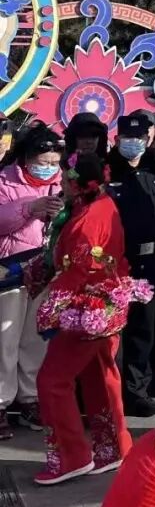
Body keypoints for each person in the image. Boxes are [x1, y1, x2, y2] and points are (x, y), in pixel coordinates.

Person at [34, 153, 143, 485]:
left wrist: (51, 309)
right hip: (106, 303)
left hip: (87, 308)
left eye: (66, 179)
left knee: (52, 380)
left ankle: (72, 457)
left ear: (79, 185)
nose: (61, 183)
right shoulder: (97, 205)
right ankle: (112, 448)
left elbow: (78, 270)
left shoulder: (88, 220)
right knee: (99, 375)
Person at [107, 110, 155, 416]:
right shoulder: (107, 170)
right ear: (117, 138)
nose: (132, 142)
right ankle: (109, 393)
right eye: (127, 137)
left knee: (143, 328)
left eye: (138, 137)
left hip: (150, 261)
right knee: (112, 330)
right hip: (114, 262)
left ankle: (136, 392)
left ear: (148, 139)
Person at [0, 125, 65, 437]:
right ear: (26, 159)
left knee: (35, 338)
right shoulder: (5, 180)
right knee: (5, 338)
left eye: (54, 162)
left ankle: (30, 398)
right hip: (9, 271)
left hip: (45, 270)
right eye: (42, 162)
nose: (48, 167)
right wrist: (29, 208)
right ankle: (1, 401)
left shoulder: (61, 183)